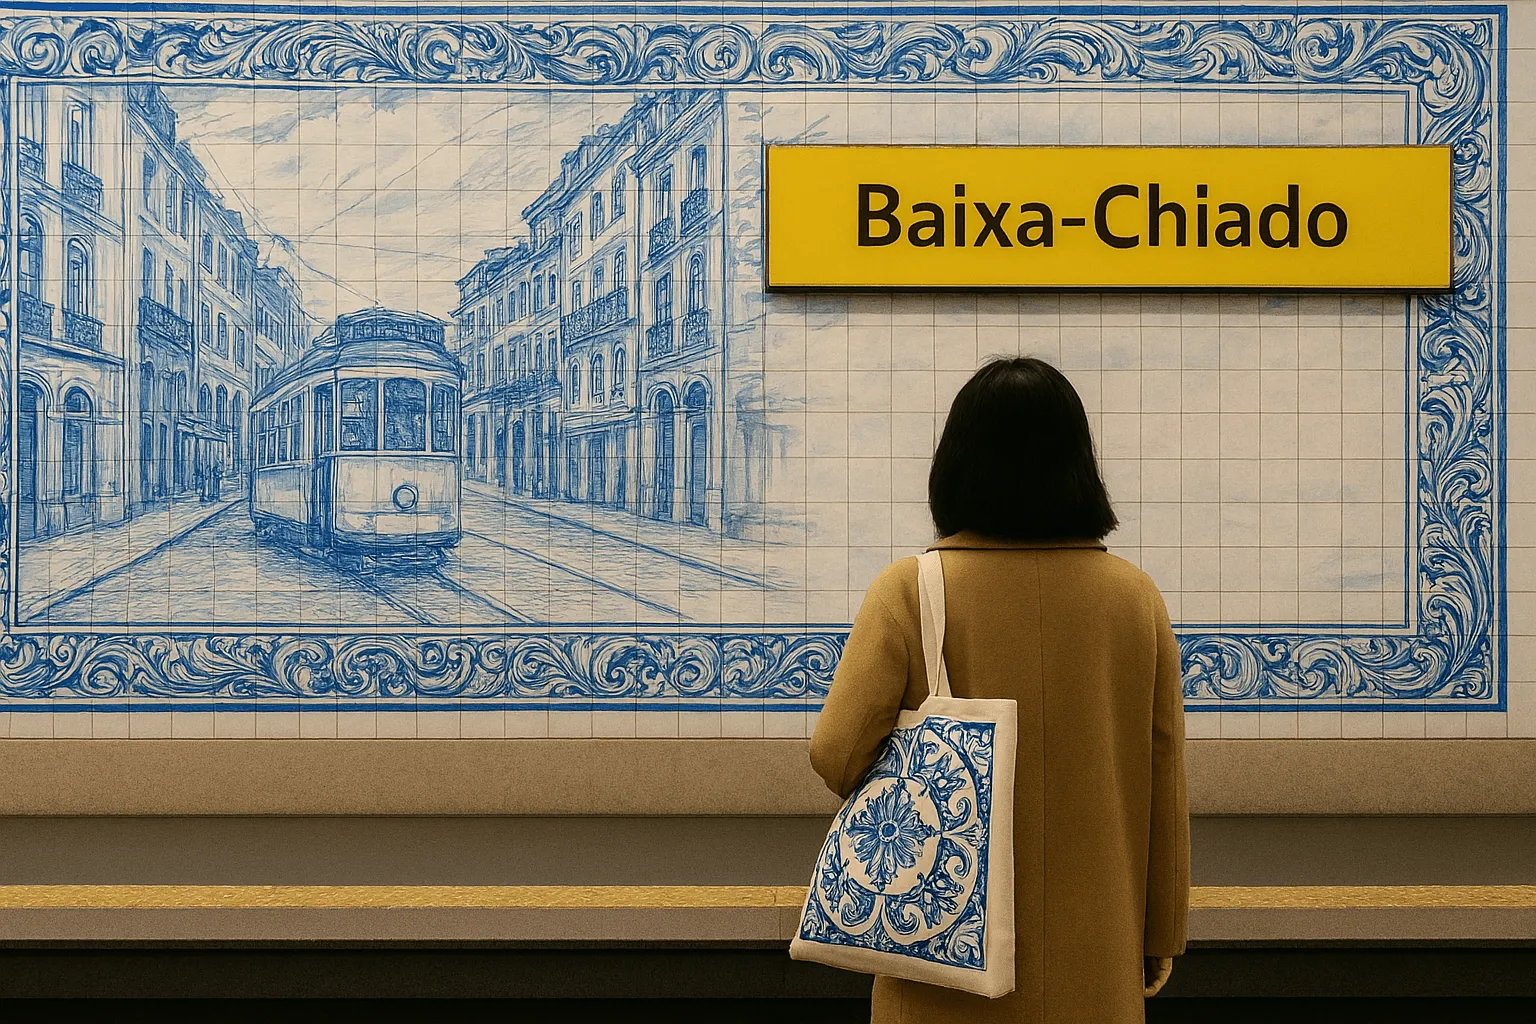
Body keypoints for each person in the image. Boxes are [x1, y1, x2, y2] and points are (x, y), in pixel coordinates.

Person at [810, 357, 1189, 1024]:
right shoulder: (1135, 599)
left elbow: (836, 753)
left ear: (955, 465)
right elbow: (1162, 779)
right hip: (1095, 959)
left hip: (942, 962)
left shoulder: (908, 591)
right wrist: (1160, 933)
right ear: (1078, 465)